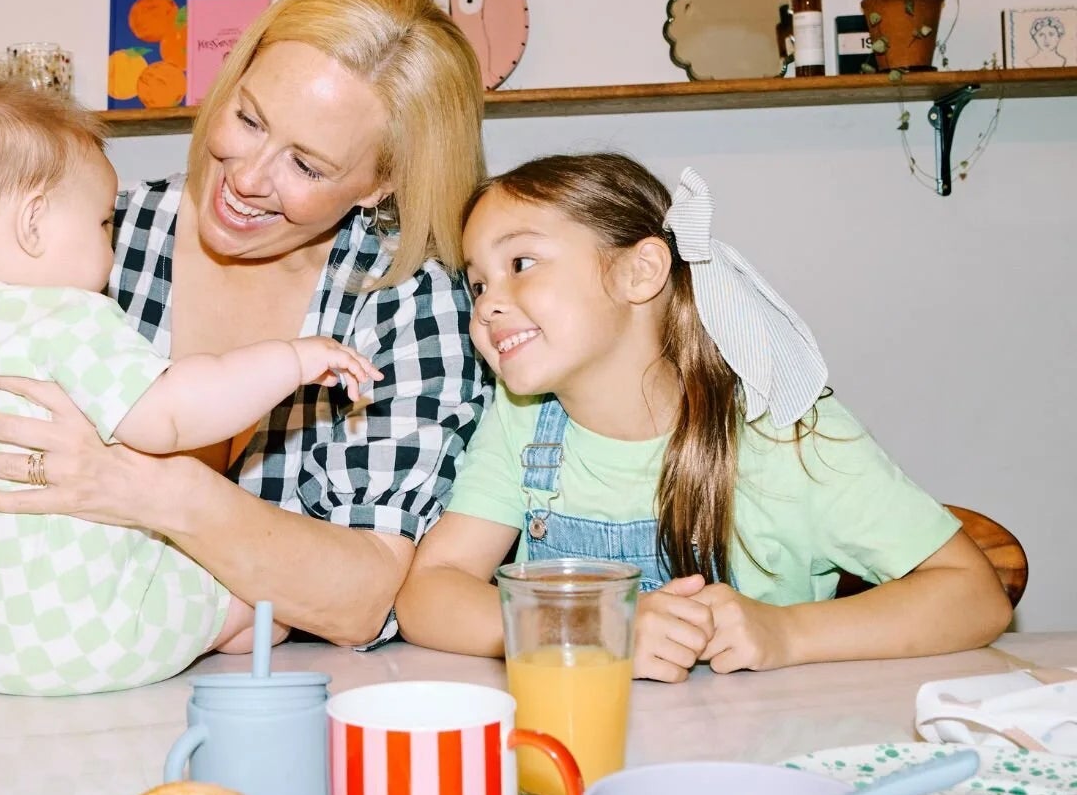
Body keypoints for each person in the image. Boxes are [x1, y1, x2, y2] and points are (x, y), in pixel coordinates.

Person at [0, 0, 489, 653]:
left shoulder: (407, 302)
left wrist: (148, 488)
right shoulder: (92, 236)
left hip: (302, 695)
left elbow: (362, 601)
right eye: (249, 119)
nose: (247, 177)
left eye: (307, 166)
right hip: (50, 668)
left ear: (381, 183)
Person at [394, 154, 1012, 679]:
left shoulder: (784, 428)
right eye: (478, 284)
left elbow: (975, 596)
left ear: (641, 271)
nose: (487, 306)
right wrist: (591, 630)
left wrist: (787, 633)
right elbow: (430, 591)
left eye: (521, 264)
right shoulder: (522, 422)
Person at [0, 83, 381, 696]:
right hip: (92, 639)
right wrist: (291, 360)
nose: (111, 246)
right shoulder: (67, 317)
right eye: (103, 223)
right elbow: (169, 414)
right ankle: (224, 624)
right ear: (34, 224)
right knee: (249, 605)